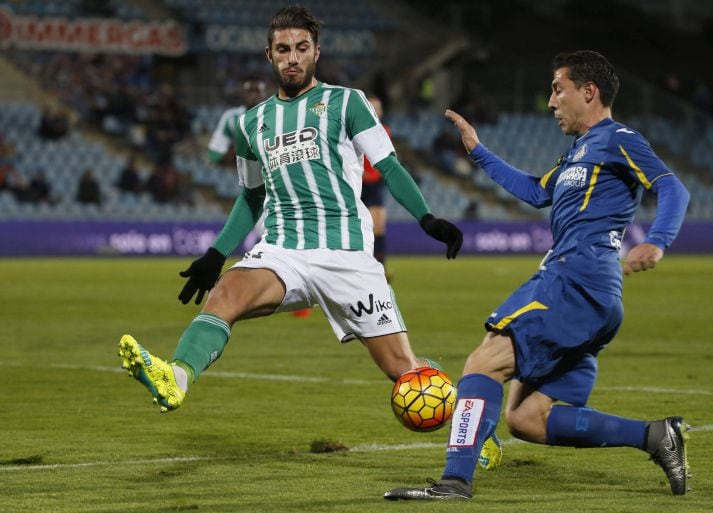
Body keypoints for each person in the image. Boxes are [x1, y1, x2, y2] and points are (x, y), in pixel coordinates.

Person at [118, 6, 463, 416]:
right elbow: (251, 197)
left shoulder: (347, 102)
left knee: (405, 374)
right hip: (284, 250)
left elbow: (389, 165)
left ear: (317, 51)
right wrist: (216, 254)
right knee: (224, 294)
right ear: (270, 55)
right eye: (283, 49)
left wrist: (427, 218)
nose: (293, 57)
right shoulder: (252, 123)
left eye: (302, 48)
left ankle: (473, 417)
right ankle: (175, 378)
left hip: (346, 253)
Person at [384, 50, 691, 501]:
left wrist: (657, 240)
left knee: (482, 363)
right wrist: (478, 150)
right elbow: (534, 191)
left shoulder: (618, 138)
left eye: (557, 89)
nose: (550, 101)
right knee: (526, 419)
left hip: (575, 280)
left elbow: (671, 186)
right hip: (593, 296)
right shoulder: (578, 154)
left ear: (589, 92)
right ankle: (655, 436)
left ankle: (454, 481)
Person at [207, 76, 268, 165]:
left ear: (264, 94)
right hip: (237, 168)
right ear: (243, 94)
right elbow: (216, 151)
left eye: (257, 92)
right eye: (249, 92)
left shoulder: (275, 114)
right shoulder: (231, 116)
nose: (253, 95)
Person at [361, 95, 390, 271]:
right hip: (359, 182)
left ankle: (381, 266)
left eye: (376, 107)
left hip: (375, 182)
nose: (374, 110)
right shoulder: (353, 130)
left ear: (381, 111)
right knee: (366, 227)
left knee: (379, 225)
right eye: (371, 107)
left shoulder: (384, 130)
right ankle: (367, 266)